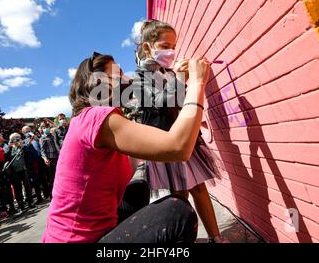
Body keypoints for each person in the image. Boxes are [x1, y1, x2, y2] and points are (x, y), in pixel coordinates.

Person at [42, 53, 209, 243]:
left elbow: (153, 143)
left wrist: (175, 81)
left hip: (78, 235)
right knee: (177, 212)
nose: (128, 79)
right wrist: (197, 82)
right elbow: (178, 148)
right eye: (119, 74)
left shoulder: (89, 120)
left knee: (138, 190)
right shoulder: (96, 117)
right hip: (75, 241)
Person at [132, 19, 226, 243]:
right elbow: (159, 102)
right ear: (147, 47)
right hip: (164, 141)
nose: (171, 52)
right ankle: (185, 240)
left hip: (185, 137)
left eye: (173, 46)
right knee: (179, 195)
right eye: (165, 46)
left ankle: (216, 238)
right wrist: (182, 78)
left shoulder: (169, 72)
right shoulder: (139, 78)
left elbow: (182, 100)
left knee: (199, 189)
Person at [7, 133, 35, 211]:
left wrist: (22, 146)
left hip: (24, 170)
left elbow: (28, 154)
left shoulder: (24, 147)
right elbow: (6, 158)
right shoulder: (10, 149)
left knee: (27, 187)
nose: (16, 140)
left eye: (18, 138)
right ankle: (21, 204)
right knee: (17, 188)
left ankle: (30, 202)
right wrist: (9, 146)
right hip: (15, 172)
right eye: (15, 139)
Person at [39, 125, 59, 197]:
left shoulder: (53, 135)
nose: (46, 129)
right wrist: (45, 159)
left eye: (47, 127)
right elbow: (42, 151)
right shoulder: (42, 138)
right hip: (50, 159)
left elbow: (56, 127)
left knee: (58, 175)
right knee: (51, 177)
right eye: (44, 128)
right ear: (42, 129)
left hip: (57, 157)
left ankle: (59, 191)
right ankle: (52, 194)